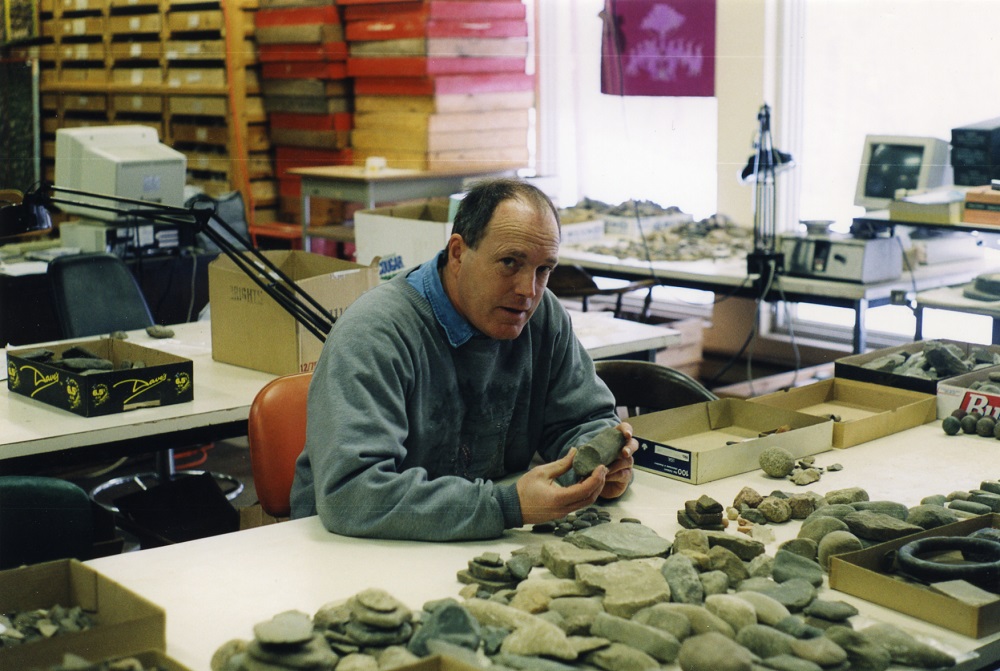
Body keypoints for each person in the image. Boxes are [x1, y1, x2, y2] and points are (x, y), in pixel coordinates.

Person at [290, 178, 637, 541]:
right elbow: (352, 495)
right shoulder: (375, 334)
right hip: (351, 550)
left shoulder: (541, 317)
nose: (528, 291)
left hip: (472, 539)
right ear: (457, 253)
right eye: (509, 262)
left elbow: (582, 420)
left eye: (543, 269)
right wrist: (505, 506)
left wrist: (601, 465)